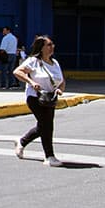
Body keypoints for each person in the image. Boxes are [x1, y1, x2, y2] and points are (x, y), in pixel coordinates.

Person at [13, 35, 66, 165]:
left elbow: (62, 80)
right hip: (35, 97)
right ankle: (49, 157)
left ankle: (22, 141)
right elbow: (17, 72)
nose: (52, 47)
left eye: (52, 45)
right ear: (41, 48)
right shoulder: (33, 61)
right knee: (47, 125)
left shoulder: (55, 63)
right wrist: (31, 82)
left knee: (43, 126)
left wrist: (60, 89)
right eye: (49, 45)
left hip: (50, 98)